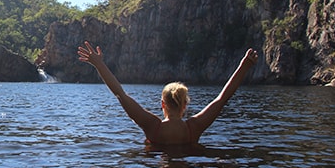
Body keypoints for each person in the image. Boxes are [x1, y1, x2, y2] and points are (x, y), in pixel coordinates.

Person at [77, 41, 259, 145]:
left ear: (162, 104)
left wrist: (99, 64)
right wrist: (244, 66)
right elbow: (222, 98)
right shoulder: (194, 128)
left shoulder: (152, 126)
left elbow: (120, 94)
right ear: (185, 105)